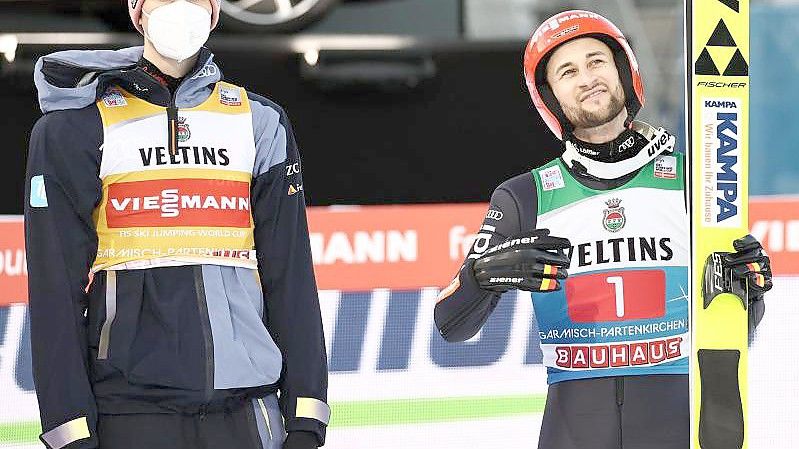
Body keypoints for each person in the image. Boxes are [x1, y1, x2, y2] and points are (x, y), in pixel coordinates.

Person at [434, 10, 773, 449]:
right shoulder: (524, 196)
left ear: (623, 71)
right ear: (550, 97)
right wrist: (485, 275)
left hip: (678, 421)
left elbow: (738, 328)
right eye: (567, 71)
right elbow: (451, 325)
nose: (587, 78)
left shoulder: (697, 181)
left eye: (597, 61)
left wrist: (751, 289)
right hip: (575, 426)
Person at [24, 1, 329, 448]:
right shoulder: (73, 128)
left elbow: (291, 276)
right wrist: (68, 427)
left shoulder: (260, 121)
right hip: (128, 409)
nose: (179, 9)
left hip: (248, 408)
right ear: (137, 12)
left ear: (214, 13)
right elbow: (54, 289)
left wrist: (306, 415)